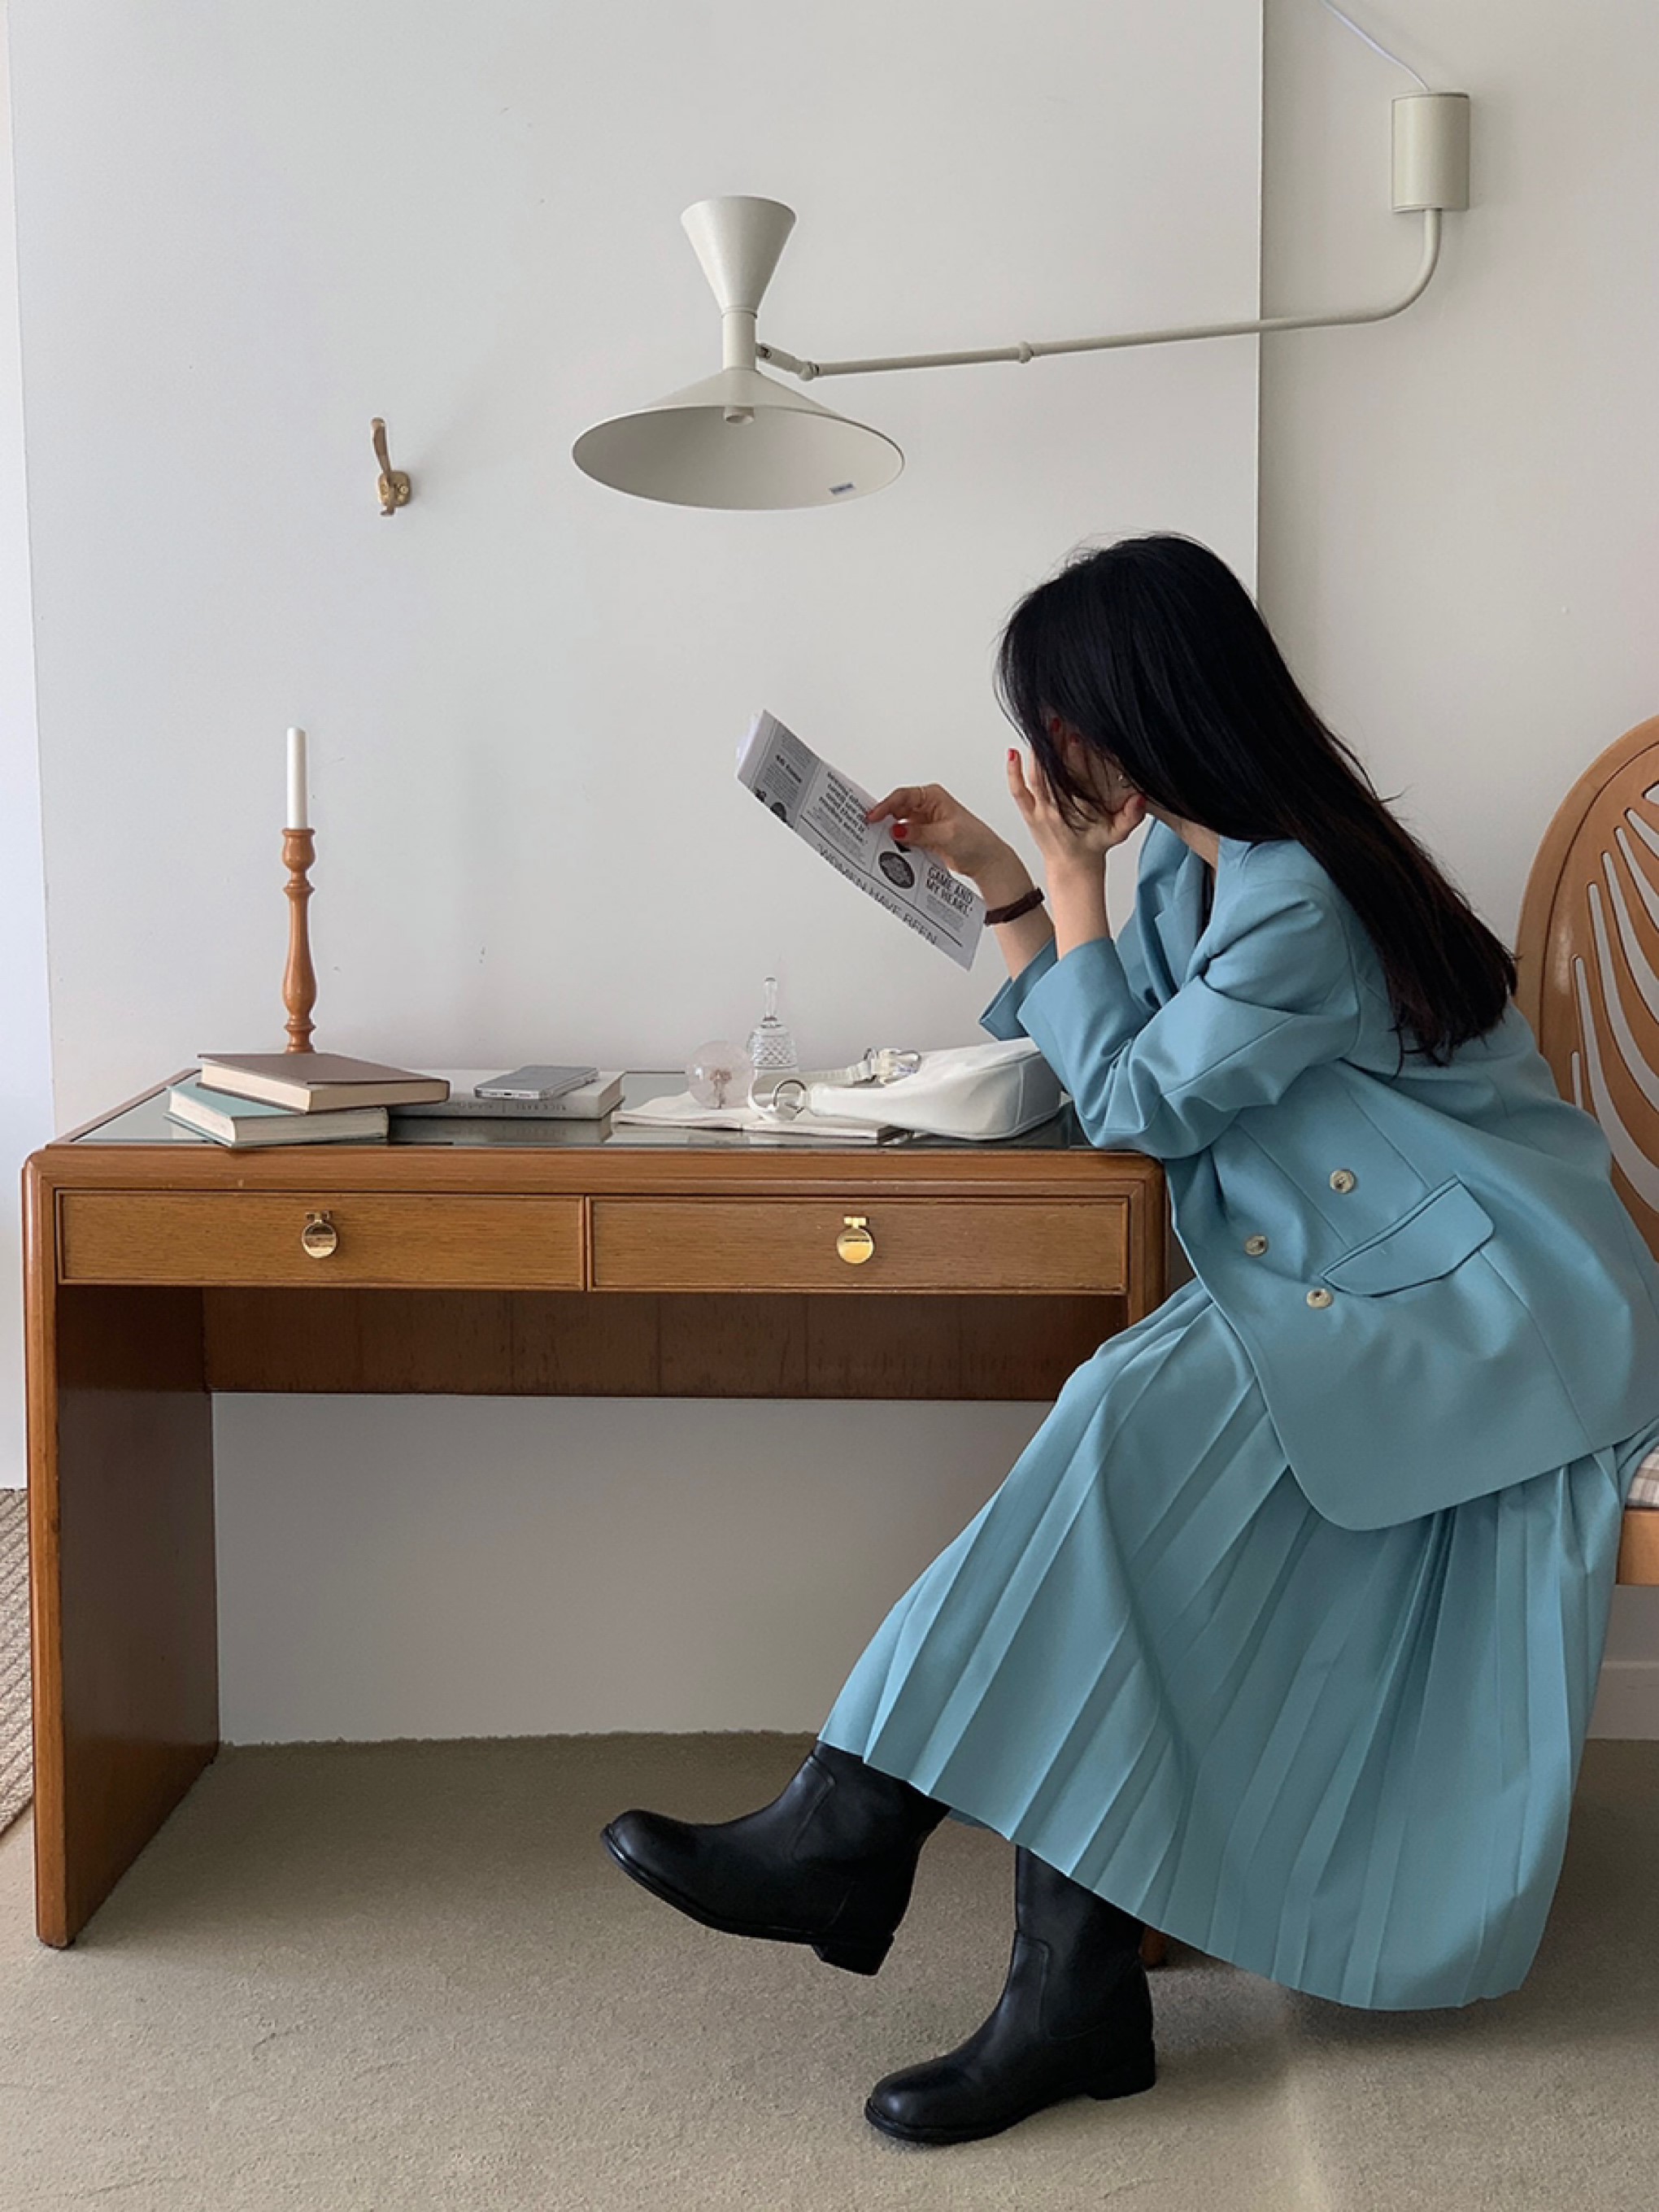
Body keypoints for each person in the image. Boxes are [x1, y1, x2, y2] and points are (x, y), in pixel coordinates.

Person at [601, 533, 1659, 2149]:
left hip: (1493, 1299)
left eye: (1058, 723)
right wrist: (1015, 884)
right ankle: (1024, 1951)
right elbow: (1122, 1047)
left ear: (1143, 713)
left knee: (1116, 1415)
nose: (1046, 761)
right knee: (1121, 1449)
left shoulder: (1301, 891)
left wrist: (1056, 889)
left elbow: (1139, 1100)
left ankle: (870, 1838)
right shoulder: (1196, 866)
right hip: (1360, 1268)